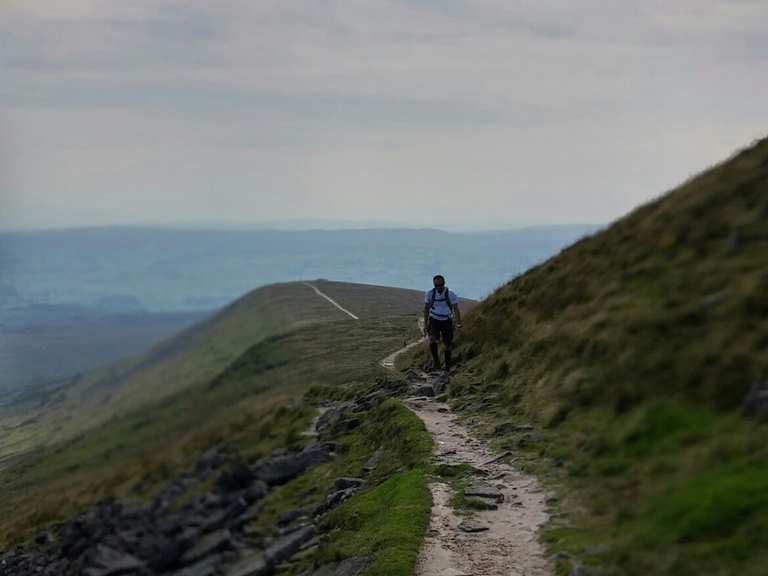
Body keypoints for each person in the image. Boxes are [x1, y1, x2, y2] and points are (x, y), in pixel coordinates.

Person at [423, 274, 462, 372]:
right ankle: (436, 362)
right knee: (432, 340)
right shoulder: (429, 294)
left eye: (441, 285)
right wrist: (426, 323)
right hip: (434, 319)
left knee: (447, 345)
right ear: (434, 285)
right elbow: (426, 309)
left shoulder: (451, 294)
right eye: (437, 285)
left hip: (447, 320)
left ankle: (447, 367)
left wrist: (458, 323)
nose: (439, 287)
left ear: (444, 284)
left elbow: (456, 309)